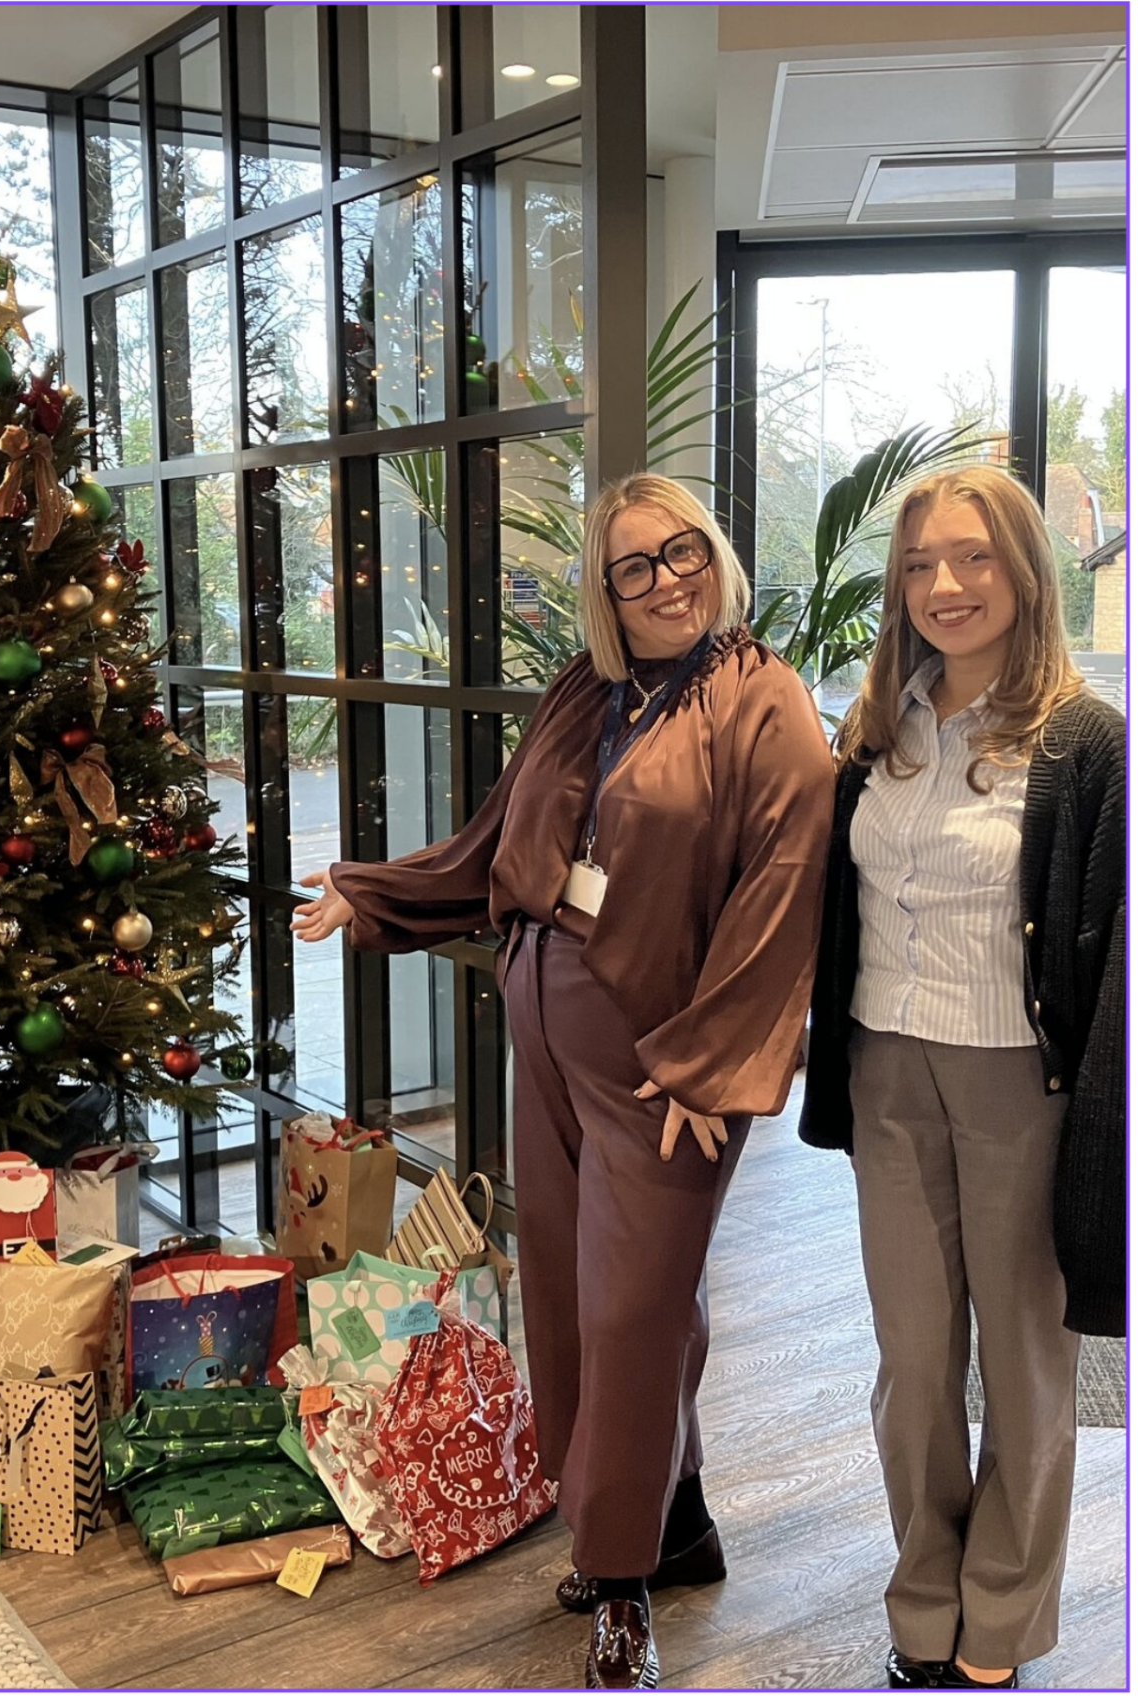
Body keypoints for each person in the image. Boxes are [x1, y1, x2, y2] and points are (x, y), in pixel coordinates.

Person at [292, 475, 833, 1689]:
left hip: (664, 1057)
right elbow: (499, 841)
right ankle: (673, 1522)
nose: (666, 579)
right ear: (605, 592)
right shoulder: (586, 692)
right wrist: (374, 892)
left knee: (633, 1308)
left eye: (681, 550)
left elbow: (782, 890)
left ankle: (621, 1574)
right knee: (570, 1290)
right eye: (633, 565)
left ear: (715, 552)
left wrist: (712, 1063)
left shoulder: (767, 703)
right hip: (543, 1013)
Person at [799, 466, 1126, 1692]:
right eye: (923, 564)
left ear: (1025, 573)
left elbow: (1106, 961)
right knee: (914, 1358)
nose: (945, 584)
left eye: (974, 557)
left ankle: (997, 1619)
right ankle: (921, 1596)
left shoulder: (1087, 744)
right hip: (885, 1067)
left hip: (1020, 1085)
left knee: (1028, 1360)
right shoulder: (876, 727)